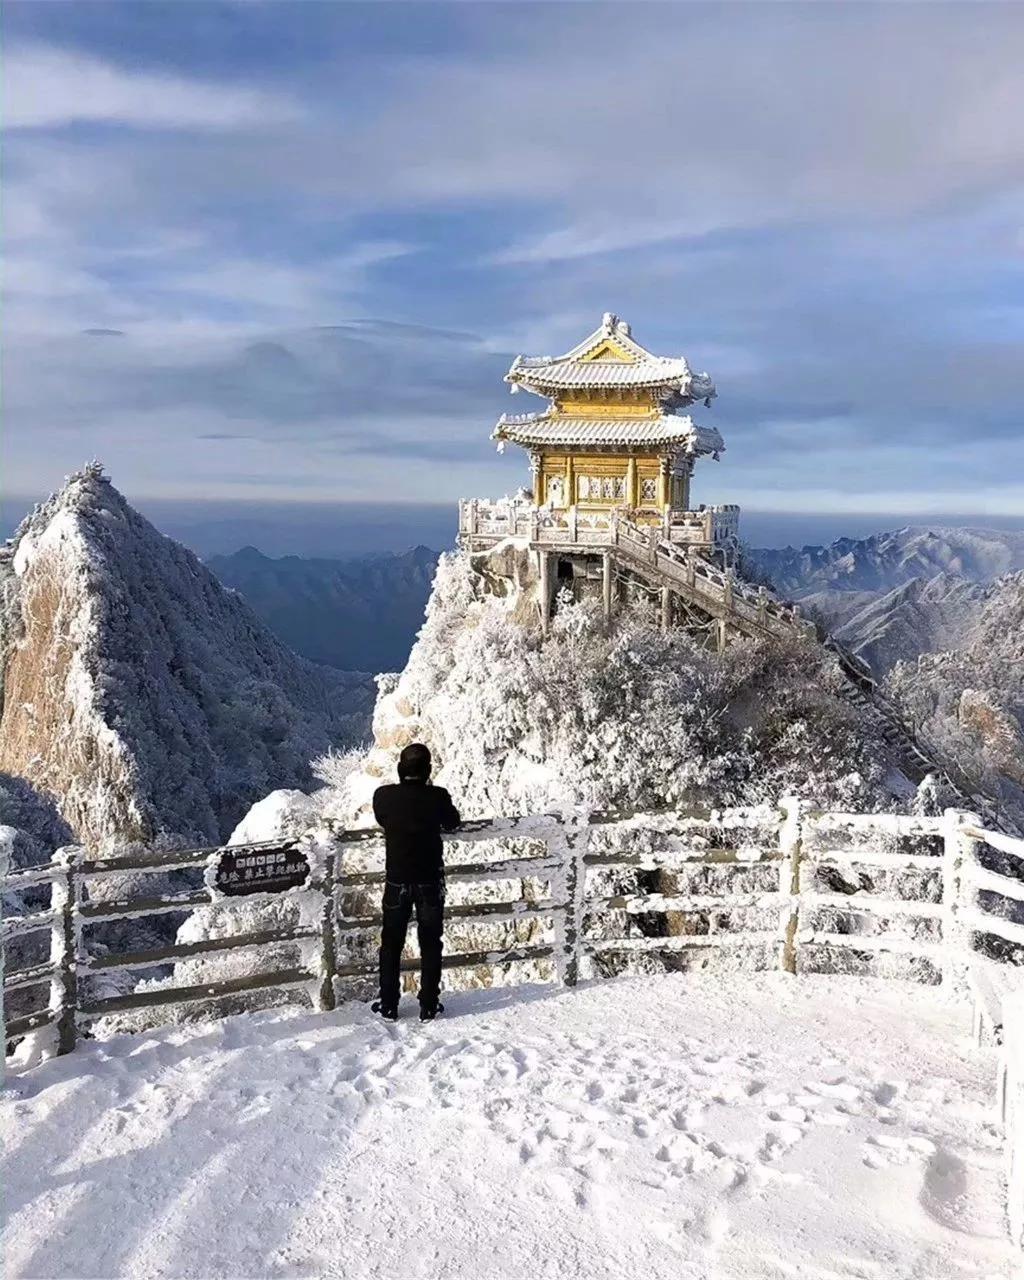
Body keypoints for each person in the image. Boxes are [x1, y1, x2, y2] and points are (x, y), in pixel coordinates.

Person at [371, 743, 461, 1022]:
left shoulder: (383, 796)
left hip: (397, 880)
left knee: (391, 943)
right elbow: (453, 822)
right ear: (428, 771)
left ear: (400, 769)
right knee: (431, 942)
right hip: (429, 881)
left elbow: (383, 819)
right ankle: (429, 1004)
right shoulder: (438, 797)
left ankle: (389, 1004)